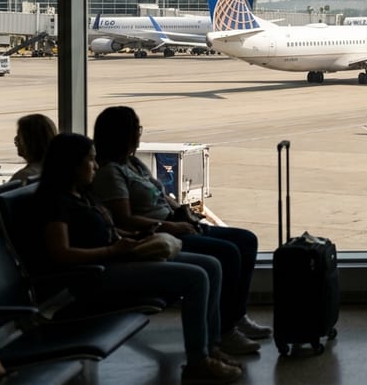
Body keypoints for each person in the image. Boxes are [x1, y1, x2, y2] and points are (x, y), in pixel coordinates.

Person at [34, 133, 242, 384]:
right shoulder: (55, 202)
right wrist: (114, 251)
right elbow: (62, 254)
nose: (96, 166)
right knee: (197, 277)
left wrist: (139, 235)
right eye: (90, 160)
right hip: (97, 273)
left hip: (117, 259)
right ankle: (198, 362)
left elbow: (106, 232)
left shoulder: (82, 194)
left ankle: (211, 347)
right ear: (72, 164)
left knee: (212, 265)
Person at [90, 106, 271, 354]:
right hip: (160, 234)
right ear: (123, 134)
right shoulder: (110, 173)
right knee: (228, 253)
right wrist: (172, 225)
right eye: (136, 129)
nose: (139, 134)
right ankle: (226, 331)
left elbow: (161, 195)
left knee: (246, 241)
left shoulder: (132, 163)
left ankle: (235, 315)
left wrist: (184, 212)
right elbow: (124, 220)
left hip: (175, 224)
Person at [8, 113, 57, 185]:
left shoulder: (23, 177)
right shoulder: (58, 170)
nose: (16, 140)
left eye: (20, 136)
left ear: (30, 142)